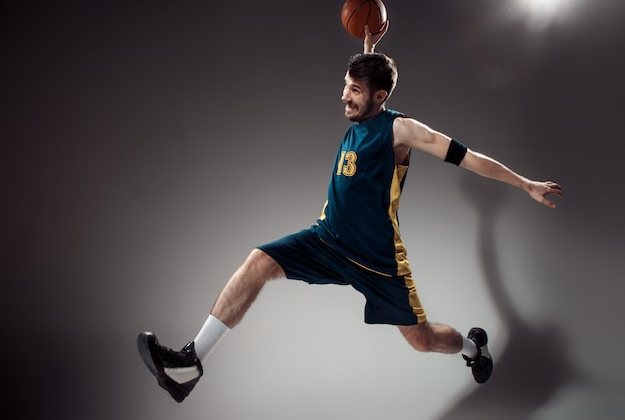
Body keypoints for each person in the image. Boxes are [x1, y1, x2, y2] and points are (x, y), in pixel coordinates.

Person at [137, 22, 563, 403]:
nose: (344, 95)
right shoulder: (362, 111)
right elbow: (369, 79)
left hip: (378, 261)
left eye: (355, 91)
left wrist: (526, 184)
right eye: (345, 85)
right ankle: (188, 365)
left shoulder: (400, 130)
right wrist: (369, 45)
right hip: (326, 239)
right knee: (258, 262)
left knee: (423, 339)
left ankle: (473, 349)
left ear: (379, 97)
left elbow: (468, 157)